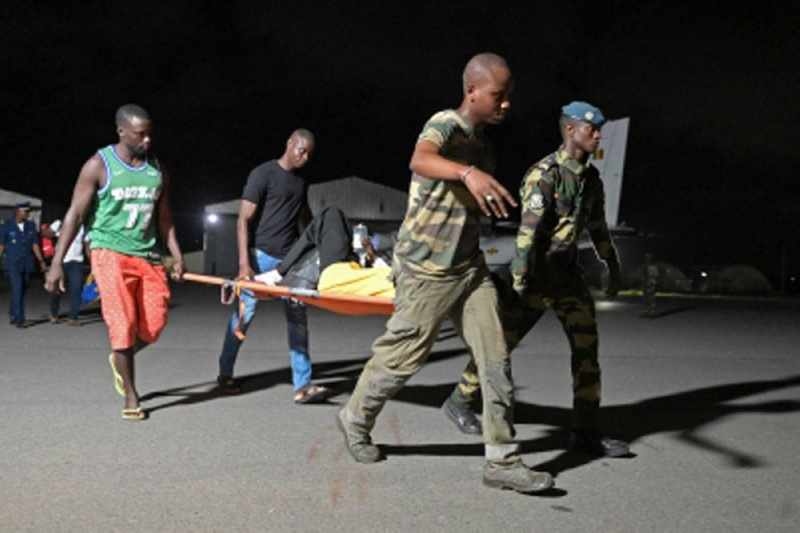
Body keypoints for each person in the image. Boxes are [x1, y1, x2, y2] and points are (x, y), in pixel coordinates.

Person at [336, 53, 554, 494]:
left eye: (509, 94)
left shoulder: (484, 144)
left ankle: (502, 460)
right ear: (472, 91)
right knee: (401, 360)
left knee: (496, 358)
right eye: (498, 94)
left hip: (468, 269)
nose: (506, 103)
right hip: (425, 270)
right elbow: (420, 159)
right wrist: (467, 173)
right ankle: (354, 419)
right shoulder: (446, 124)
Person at [442, 101, 630, 457]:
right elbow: (527, 235)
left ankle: (585, 433)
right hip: (536, 278)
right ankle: (458, 400)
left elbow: (598, 228)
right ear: (571, 130)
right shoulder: (544, 175)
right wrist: (519, 281)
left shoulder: (591, 179)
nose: (598, 136)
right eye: (592, 129)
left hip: (568, 279)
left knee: (586, 351)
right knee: (501, 346)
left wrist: (612, 265)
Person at [45, 103, 184, 421]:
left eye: (150, 134)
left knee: (154, 325)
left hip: (146, 255)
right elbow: (75, 215)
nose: (147, 141)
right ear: (121, 131)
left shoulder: (157, 170)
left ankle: (120, 356)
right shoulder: (98, 165)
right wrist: (57, 262)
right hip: (108, 253)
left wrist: (175, 254)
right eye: (140, 134)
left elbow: (164, 218)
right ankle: (131, 395)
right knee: (121, 324)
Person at [216, 129, 330, 404]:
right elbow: (243, 220)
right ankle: (225, 373)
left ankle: (302, 386)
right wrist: (245, 264)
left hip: (290, 262)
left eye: (309, 154)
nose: (304, 157)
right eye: (300, 150)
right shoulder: (263, 174)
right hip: (261, 257)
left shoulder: (302, 183)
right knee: (244, 316)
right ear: (289, 143)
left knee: (298, 320)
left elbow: (306, 222)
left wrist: (314, 254)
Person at [0, 202, 47, 328]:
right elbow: (1, 246)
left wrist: (41, 261)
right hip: (12, 263)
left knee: (22, 289)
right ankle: (20, 319)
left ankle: (13, 312)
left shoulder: (31, 225)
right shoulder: (6, 226)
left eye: (28, 211)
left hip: (27, 263)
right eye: (25, 211)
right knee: (17, 289)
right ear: (17, 212)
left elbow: (35, 245)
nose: (27, 214)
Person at [47, 219, 89, 325]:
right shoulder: (60, 223)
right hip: (61, 262)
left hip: (77, 262)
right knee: (57, 290)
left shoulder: (83, 227)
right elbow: (46, 234)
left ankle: (73, 318)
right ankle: (53, 314)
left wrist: (93, 263)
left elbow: (87, 246)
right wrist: (54, 229)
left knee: (76, 289)